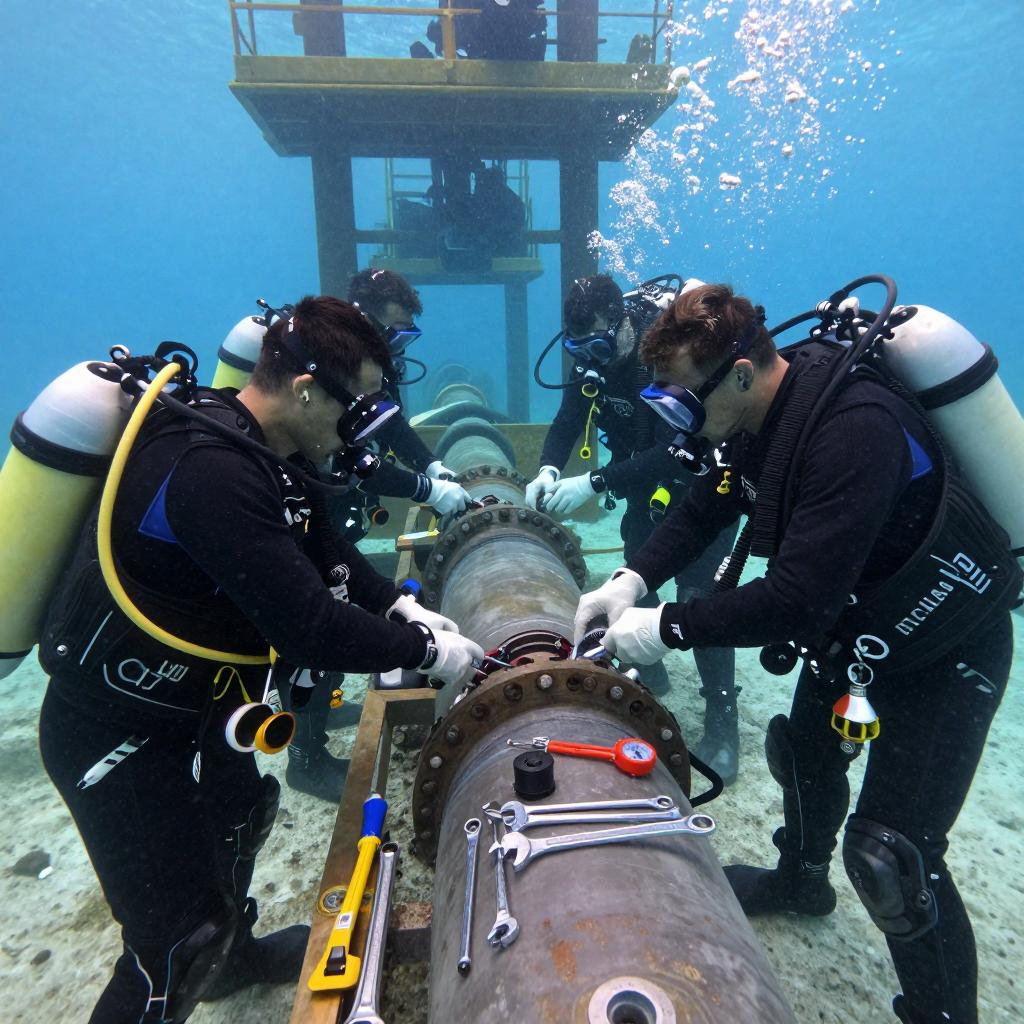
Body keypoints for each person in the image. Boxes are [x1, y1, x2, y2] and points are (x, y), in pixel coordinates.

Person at [576, 282, 1021, 1023]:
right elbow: (707, 504)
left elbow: (793, 600)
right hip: (860, 630)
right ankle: (801, 882)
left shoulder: (852, 429)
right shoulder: (760, 416)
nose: (679, 423)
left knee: (892, 855)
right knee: (804, 760)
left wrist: (666, 627)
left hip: (947, 644)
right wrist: (631, 579)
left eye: (682, 404)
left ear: (739, 374)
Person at [37, 296, 484, 1023]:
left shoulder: (271, 452)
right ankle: (201, 962)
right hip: (118, 729)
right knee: (177, 940)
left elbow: (326, 552)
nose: (366, 427)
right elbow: (308, 626)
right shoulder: (211, 470)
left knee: (242, 817)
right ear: (305, 390)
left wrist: (398, 607)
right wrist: (426, 651)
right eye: (358, 407)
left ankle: (236, 962)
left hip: (201, 707)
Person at [525, 274, 740, 779]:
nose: (592, 358)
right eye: (580, 349)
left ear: (623, 323)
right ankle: (650, 671)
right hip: (642, 488)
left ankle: (722, 717)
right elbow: (567, 420)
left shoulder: (664, 355)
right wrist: (549, 468)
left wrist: (595, 481)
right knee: (635, 576)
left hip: (702, 490)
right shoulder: (592, 363)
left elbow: (679, 447)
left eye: (599, 346)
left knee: (699, 593)